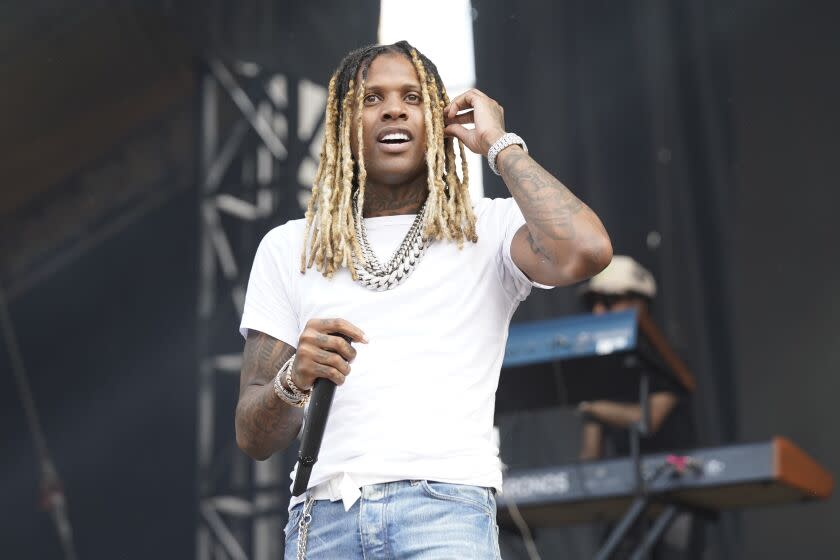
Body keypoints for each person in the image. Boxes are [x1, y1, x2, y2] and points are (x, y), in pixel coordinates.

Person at [235, 40, 612, 559]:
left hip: (445, 514)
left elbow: (587, 250)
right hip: (324, 520)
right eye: (371, 99)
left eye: (411, 97)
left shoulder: (488, 228)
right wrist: (293, 378)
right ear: (343, 124)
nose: (392, 108)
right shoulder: (289, 247)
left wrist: (501, 144)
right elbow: (253, 436)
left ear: (437, 122)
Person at [576, 255, 701, 559]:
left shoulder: (669, 361)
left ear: (639, 304)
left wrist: (593, 406)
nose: (598, 311)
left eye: (608, 301)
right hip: (624, 499)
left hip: (675, 490)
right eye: (593, 303)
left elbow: (648, 419)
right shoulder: (600, 372)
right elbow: (590, 457)